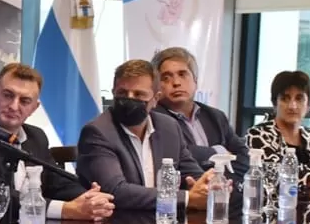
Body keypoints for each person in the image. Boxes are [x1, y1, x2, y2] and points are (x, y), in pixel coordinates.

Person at [0, 63, 114, 222]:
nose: (13, 106)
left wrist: (88, 199)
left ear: (34, 108)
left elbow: (57, 184)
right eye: (7, 95)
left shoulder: (36, 136)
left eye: (24, 101)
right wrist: (66, 210)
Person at [78, 60, 211, 212]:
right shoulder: (97, 132)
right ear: (113, 93)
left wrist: (207, 184)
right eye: (122, 93)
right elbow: (116, 192)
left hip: (162, 223)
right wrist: (187, 198)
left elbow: (190, 170)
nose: (129, 98)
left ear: (156, 99)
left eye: (138, 94)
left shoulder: (169, 127)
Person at [151, 47, 249, 179]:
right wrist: (218, 151)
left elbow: (244, 159)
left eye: (182, 74)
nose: (176, 83)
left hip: (224, 192)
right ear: (156, 86)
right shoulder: (155, 118)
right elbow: (178, 157)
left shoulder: (216, 116)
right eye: (166, 77)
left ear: (195, 81)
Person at [245, 70, 310, 189]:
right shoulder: (258, 135)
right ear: (275, 103)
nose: (292, 106)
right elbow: (282, 176)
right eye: (285, 98)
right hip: (275, 206)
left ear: (308, 105)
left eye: (299, 99)